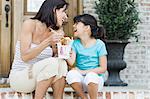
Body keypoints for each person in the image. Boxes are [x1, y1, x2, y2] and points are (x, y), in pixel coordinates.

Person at [9, 0, 69, 99]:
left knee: (61, 62)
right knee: (53, 62)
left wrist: (62, 49)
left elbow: (55, 64)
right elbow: (25, 57)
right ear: (54, 10)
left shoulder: (54, 31)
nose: (65, 16)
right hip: (20, 78)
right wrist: (48, 42)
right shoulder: (30, 24)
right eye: (63, 11)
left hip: (39, 80)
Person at [66, 14, 107, 99]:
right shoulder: (75, 43)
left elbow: (103, 68)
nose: (73, 26)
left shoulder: (99, 44)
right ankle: (84, 97)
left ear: (86, 28)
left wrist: (83, 72)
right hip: (81, 81)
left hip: (95, 81)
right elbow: (71, 62)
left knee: (91, 76)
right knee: (71, 74)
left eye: (77, 23)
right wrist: (64, 51)